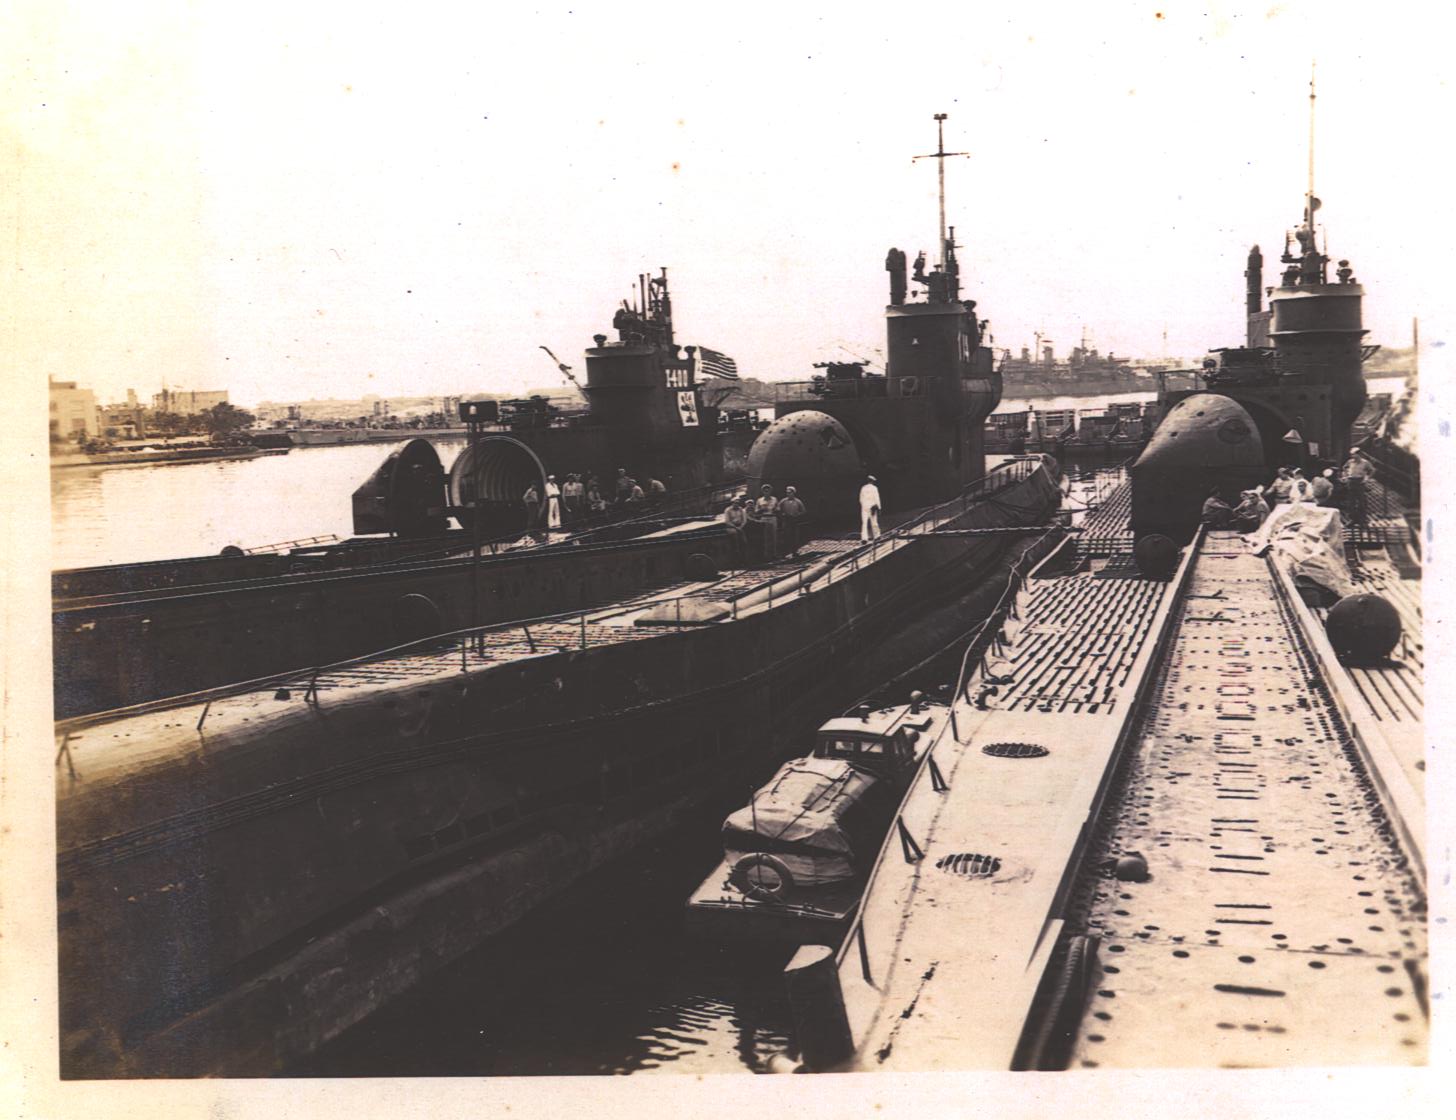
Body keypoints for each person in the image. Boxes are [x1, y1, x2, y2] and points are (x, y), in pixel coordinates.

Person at [751, 484, 780, 559]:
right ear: (763, 492)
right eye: (765, 491)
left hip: (772, 517)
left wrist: (775, 509)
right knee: (765, 537)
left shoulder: (774, 499)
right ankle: (766, 555)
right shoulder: (759, 500)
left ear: (770, 491)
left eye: (768, 490)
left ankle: (774, 554)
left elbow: (778, 509)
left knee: (773, 536)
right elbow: (756, 511)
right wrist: (761, 509)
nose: (766, 492)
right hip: (764, 518)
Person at [778, 485, 807, 555]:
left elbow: (803, 511)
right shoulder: (783, 501)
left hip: (794, 520)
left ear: (794, 493)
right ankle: (785, 552)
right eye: (787, 493)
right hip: (786, 520)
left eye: (790, 492)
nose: (789, 494)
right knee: (786, 535)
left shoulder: (798, 501)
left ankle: (794, 551)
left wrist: (797, 514)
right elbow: (778, 509)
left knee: (794, 536)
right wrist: (782, 514)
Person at [721, 496, 748, 561]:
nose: (736, 504)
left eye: (738, 503)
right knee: (735, 537)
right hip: (731, 527)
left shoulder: (741, 509)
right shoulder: (728, 510)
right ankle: (736, 558)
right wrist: (735, 527)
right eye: (735, 503)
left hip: (740, 527)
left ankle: (744, 558)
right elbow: (727, 521)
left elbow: (744, 520)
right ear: (732, 503)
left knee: (744, 541)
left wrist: (741, 527)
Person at [859, 475, 881, 541]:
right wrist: (879, 507)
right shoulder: (874, 488)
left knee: (864, 523)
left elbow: (860, 498)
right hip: (872, 506)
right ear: (872, 481)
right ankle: (877, 536)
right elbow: (877, 498)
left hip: (865, 506)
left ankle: (864, 538)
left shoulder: (863, 488)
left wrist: (863, 505)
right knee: (874, 522)